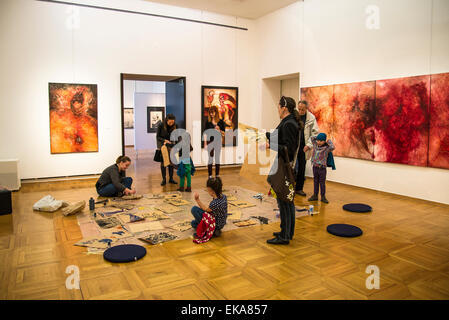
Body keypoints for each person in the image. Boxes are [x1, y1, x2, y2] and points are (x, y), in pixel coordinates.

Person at [265, 96, 301, 245]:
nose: (277, 110)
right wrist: (263, 135)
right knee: (286, 201)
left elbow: (288, 149)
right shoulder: (288, 122)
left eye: (278, 107)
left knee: (284, 202)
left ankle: (285, 236)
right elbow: (280, 138)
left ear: (284, 108)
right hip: (283, 166)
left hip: (284, 168)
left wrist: (270, 146)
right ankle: (286, 232)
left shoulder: (289, 124)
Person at [295, 100, 319, 196]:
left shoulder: (311, 118)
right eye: (299, 109)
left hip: (304, 147)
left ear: (306, 109)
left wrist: (309, 145)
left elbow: (315, 133)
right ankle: (290, 188)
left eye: (302, 110)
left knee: (301, 168)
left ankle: (299, 189)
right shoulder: (294, 116)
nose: (300, 111)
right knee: (291, 168)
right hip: (294, 146)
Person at [308, 133, 335, 203]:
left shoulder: (326, 149)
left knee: (322, 183)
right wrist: (318, 137)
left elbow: (332, 147)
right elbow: (312, 138)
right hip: (315, 167)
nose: (319, 142)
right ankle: (315, 195)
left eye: (321, 141)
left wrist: (328, 141)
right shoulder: (315, 145)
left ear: (324, 141)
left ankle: (323, 196)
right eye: (318, 140)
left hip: (322, 168)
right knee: (315, 182)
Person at [156, 114, 178, 186]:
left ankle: (171, 178)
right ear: (166, 120)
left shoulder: (175, 126)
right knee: (164, 162)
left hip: (171, 145)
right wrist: (164, 140)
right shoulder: (161, 125)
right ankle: (164, 179)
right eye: (170, 123)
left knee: (171, 162)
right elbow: (158, 137)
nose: (171, 124)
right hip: (163, 145)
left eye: (172, 122)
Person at [204, 105, 225, 178]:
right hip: (210, 141)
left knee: (217, 158)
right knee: (210, 158)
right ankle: (210, 175)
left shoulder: (221, 122)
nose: (211, 114)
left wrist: (219, 130)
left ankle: (217, 174)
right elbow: (205, 134)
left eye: (212, 112)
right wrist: (205, 144)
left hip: (218, 141)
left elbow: (224, 133)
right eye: (210, 113)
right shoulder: (208, 122)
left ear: (216, 112)